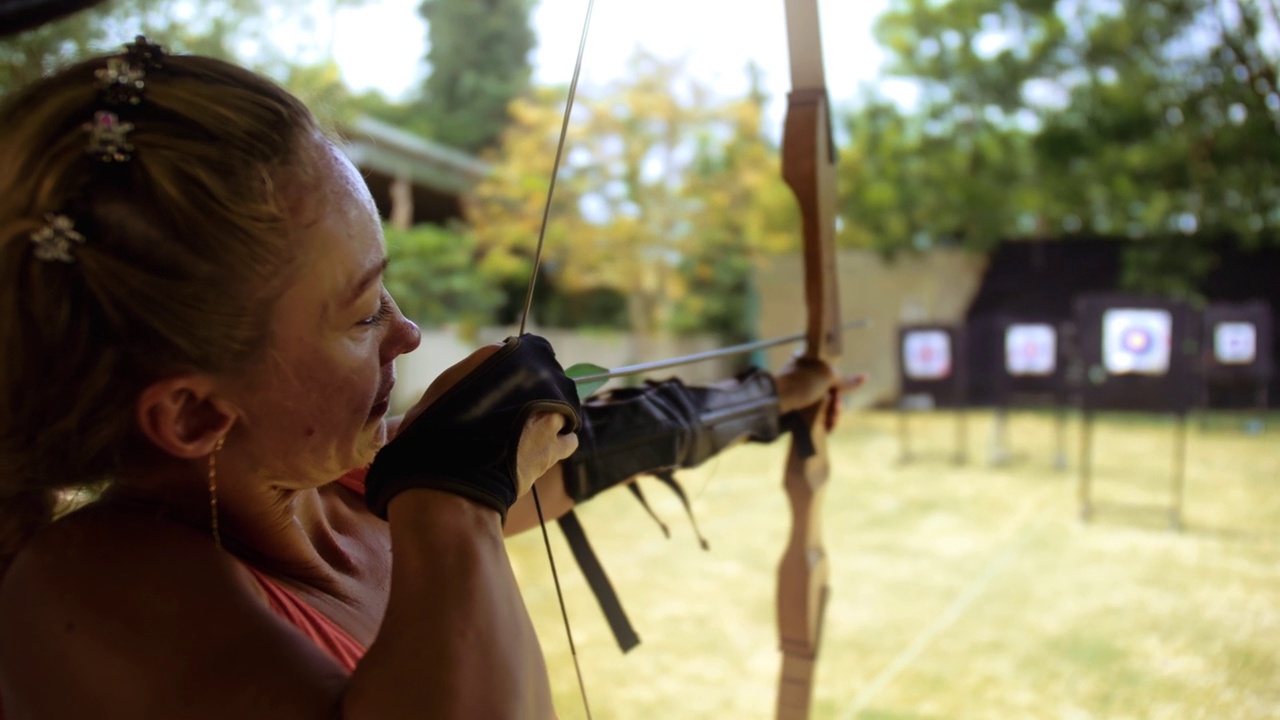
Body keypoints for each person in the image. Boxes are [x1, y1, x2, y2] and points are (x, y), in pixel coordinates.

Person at [0, 40, 850, 719]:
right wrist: (454, 504)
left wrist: (778, 398)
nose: (406, 333)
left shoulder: (353, 495)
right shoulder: (91, 590)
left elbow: (597, 447)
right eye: (363, 312)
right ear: (191, 413)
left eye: (389, 289)